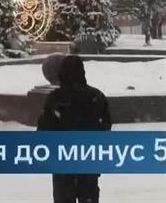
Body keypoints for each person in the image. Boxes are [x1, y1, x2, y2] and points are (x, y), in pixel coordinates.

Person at [38, 56, 112, 203]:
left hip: (63, 163)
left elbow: (44, 130)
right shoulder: (96, 96)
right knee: (88, 196)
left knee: (64, 197)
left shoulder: (56, 98)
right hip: (88, 161)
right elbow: (105, 127)